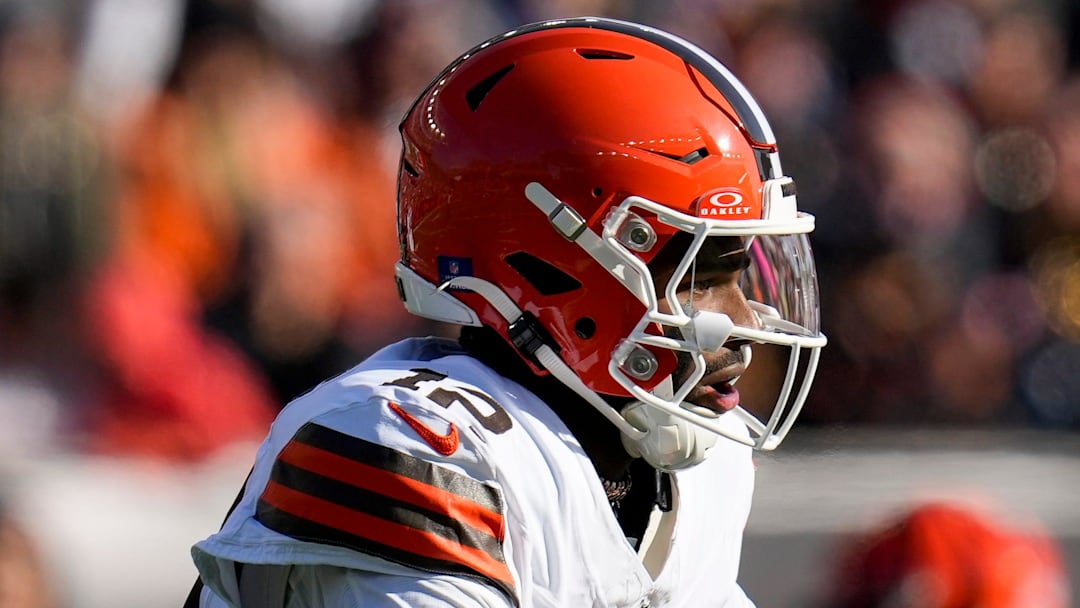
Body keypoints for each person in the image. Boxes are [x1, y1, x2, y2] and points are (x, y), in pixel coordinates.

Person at [187, 16, 827, 607]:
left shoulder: (701, 468)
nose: (742, 323)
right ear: (554, 268)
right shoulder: (405, 445)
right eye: (700, 278)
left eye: (740, 273)